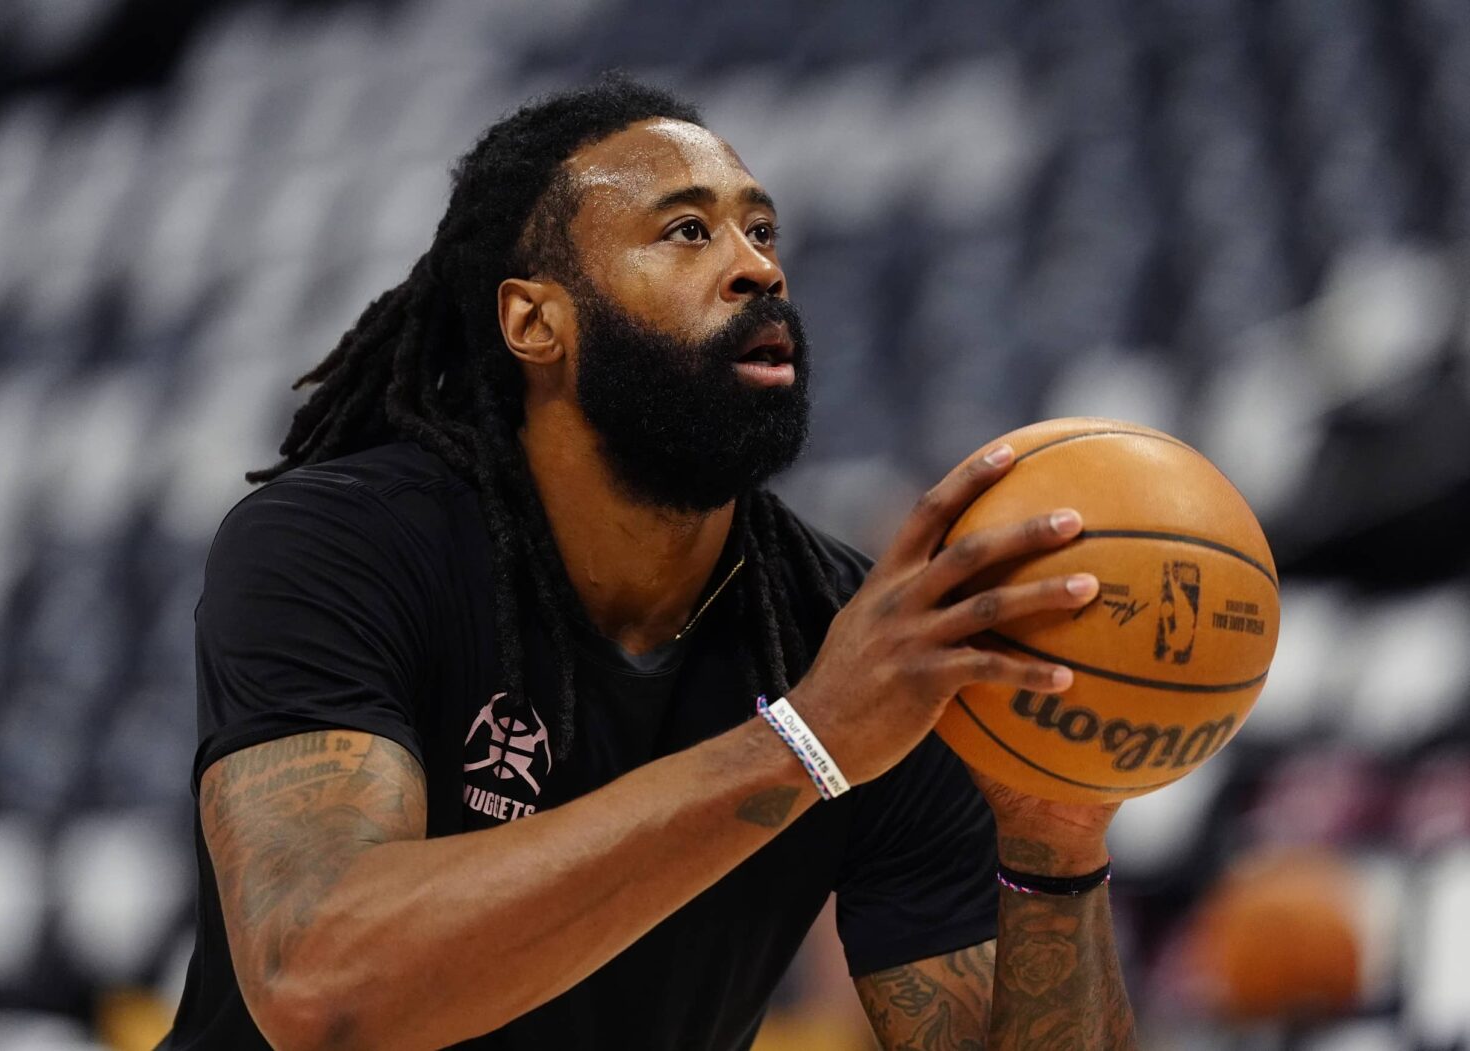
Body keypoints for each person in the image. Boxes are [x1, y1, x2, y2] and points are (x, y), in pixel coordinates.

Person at [164, 75, 1137, 1050]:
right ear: (535, 322)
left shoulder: (860, 644)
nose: (758, 267)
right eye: (687, 231)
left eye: (763, 230)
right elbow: (320, 987)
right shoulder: (341, 543)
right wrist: (804, 742)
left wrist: (1056, 847)